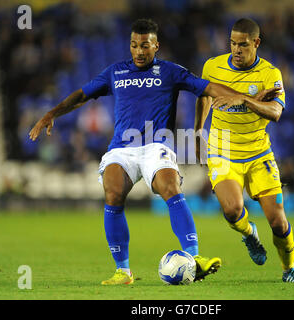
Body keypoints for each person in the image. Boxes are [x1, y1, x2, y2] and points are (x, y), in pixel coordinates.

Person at [29, 19, 277, 285]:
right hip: (122, 149)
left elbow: (207, 88)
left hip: (156, 146)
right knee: (112, 193)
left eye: (144, 46)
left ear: (156, 46)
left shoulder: (170, 71)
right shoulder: (116, 72)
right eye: (134, 45)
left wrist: (245, 97)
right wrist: (51, 113)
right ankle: (123, 271)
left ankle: (194, 258)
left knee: (169, 186)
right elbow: (81, 95)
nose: (138, 51)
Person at [194, 18, 294, 283]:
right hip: (222, 148)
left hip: (259, 153)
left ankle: (289, 270)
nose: (236, 49)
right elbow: (203, 96)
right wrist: (199, 133)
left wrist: (244, 99)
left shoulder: (270, 74)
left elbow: (276, 112)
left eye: (243, 44)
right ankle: (249, 234)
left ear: (256, 43)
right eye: (233, 43)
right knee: (233, 209)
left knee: (279, 222)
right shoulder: (212, 66)